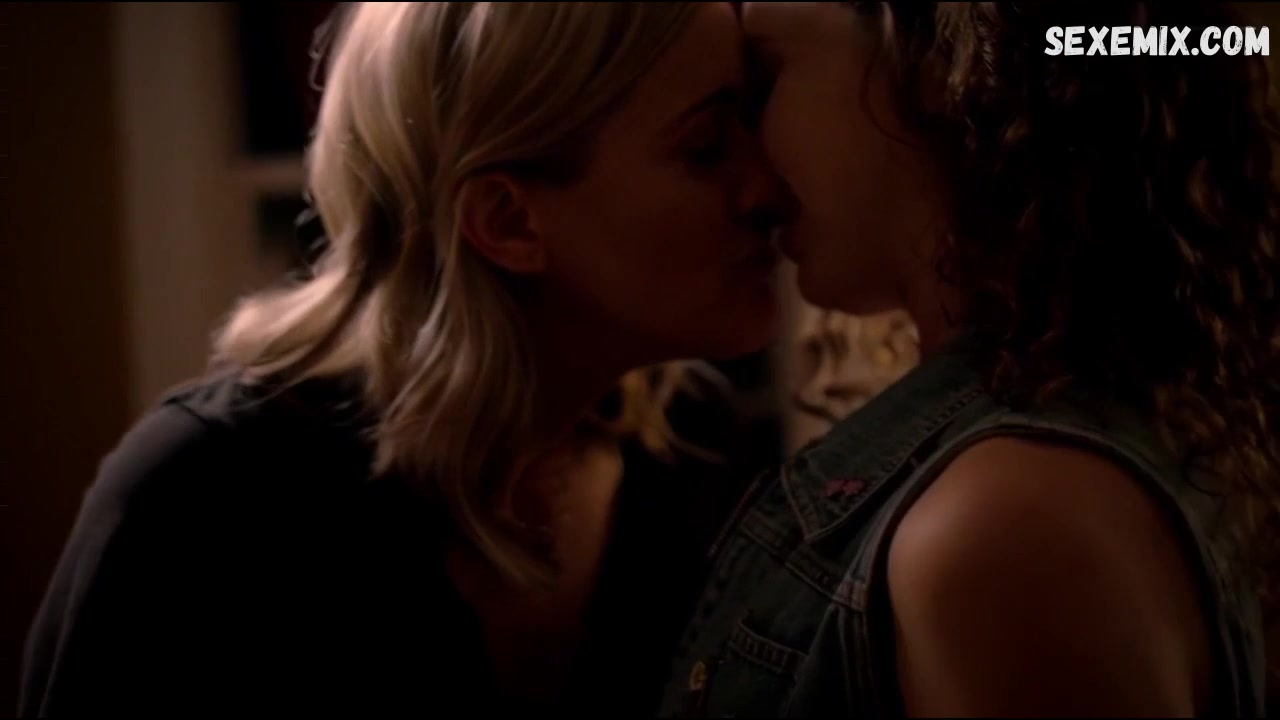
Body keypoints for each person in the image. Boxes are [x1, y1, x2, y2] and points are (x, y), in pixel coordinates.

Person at [20, 2, 787, 715]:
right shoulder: (205, 501)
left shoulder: (695, 447)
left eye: (754, 121)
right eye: (706, 147)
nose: (768, 187)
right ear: (507, 221)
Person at [659, 2, 1280, 717]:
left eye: (766, 79)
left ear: (937, 64)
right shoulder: (1046, 444)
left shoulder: (1004, 527)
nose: (752, 172)